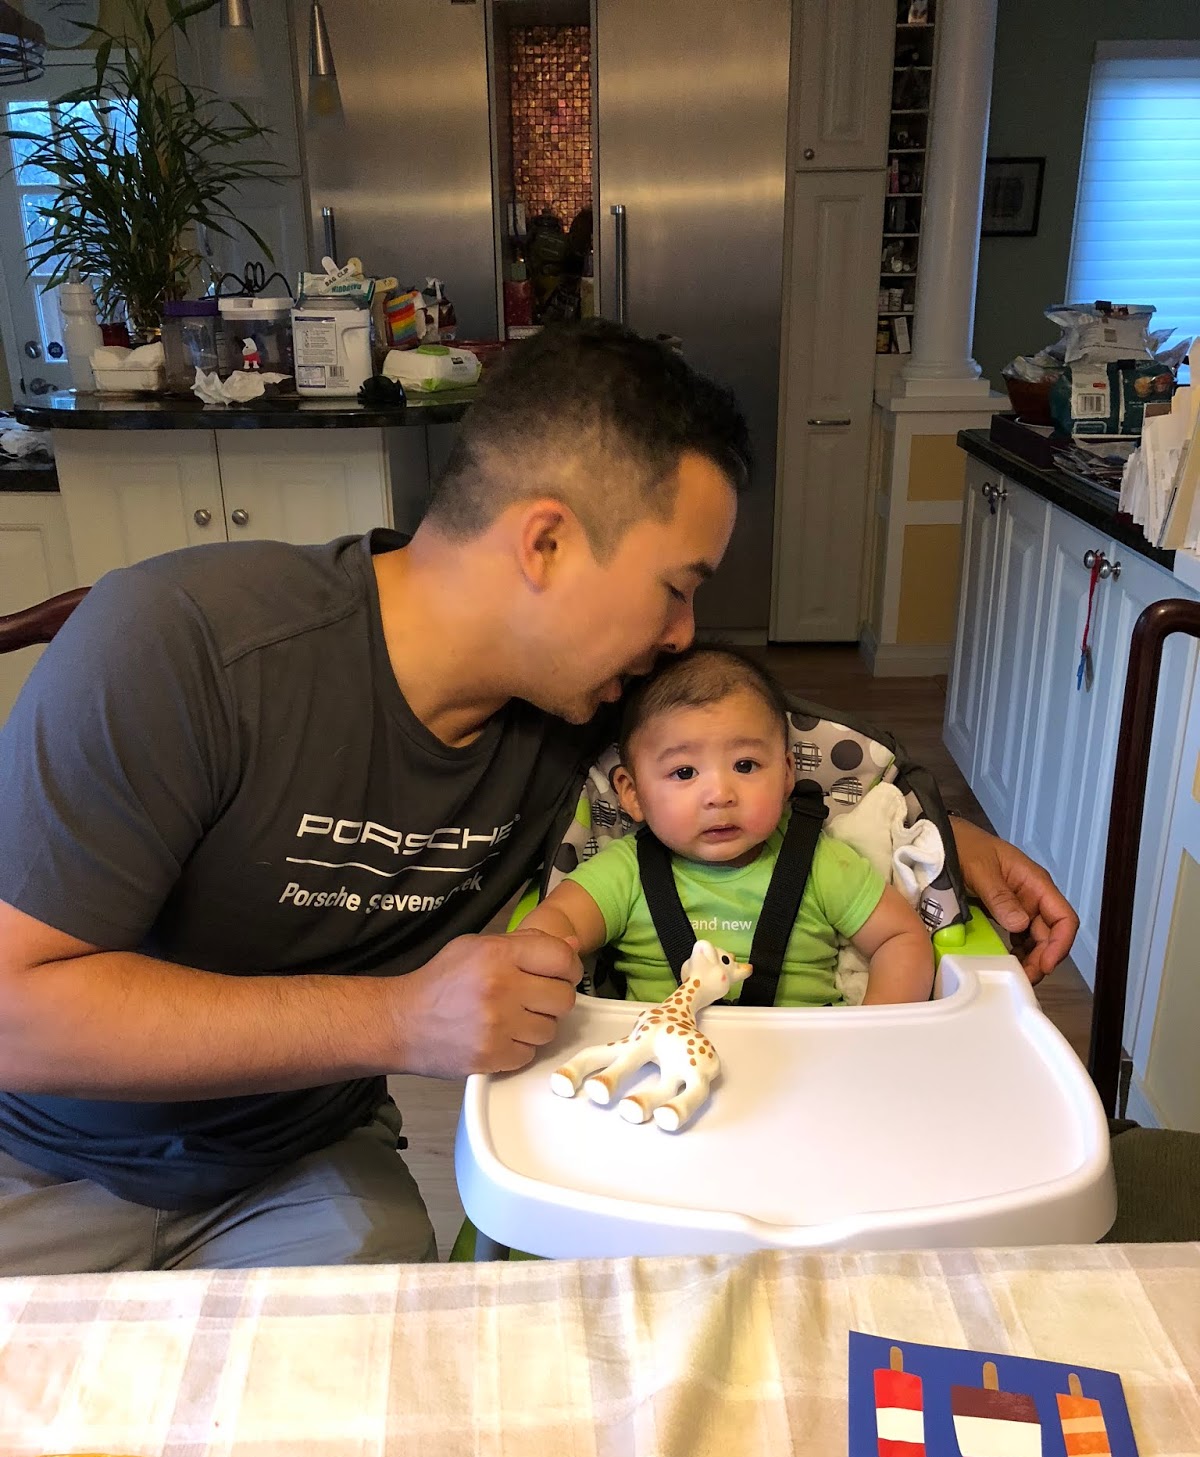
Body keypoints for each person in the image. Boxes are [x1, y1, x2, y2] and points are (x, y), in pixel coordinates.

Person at [0, 321, 1079, 1273]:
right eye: (676, 589)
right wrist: (400, 1018)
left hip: (302, 1164)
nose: (682, 637)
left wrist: (949, 834)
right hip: (39, 1161)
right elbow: (16, 1013)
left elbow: (749, 743)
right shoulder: (180, 647)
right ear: (547, 543)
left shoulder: (582, 711)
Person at [521, 647, 934, 1007]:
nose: (720, 794)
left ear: (787, 774)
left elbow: (899, 938)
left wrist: (874, 1033)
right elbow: (556, 922)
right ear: (632, 794)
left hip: (809, 1058)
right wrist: (531, 961)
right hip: (664, 1060)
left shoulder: (820, 862)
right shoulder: (624, 871)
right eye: (684, 772)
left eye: (745, 765)